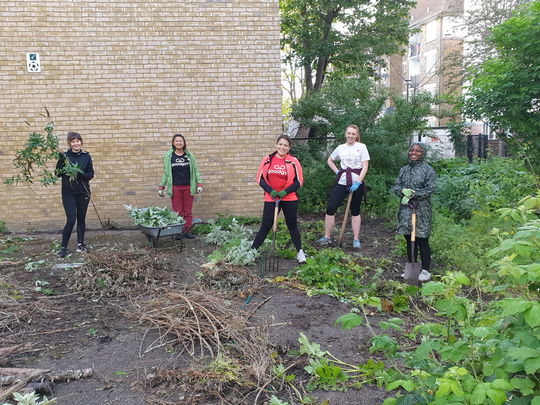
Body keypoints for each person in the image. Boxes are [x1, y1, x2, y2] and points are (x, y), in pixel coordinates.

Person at [252, 135, 306, 263]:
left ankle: (300, 252)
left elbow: (299, 181)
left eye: (285, 145)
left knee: (292, 225)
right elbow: (259, 178)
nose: (282, 147)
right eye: (280, 144)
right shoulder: (267, 159)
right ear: (277, 145)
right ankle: (252, 250)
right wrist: (270, 191)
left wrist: (284, 192)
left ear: (289, 148)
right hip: (271, 197)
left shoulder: (293, 161)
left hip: (289, 198)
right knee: (266, 225)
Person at [317, 125, 370, 248]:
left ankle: (356, 239)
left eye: (353, 134)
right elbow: (329, 160)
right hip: (342, 181)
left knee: (355, 211)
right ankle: (327, 236)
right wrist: (337, 171)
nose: (350, 136)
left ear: (356, 135)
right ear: (345, 134)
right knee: (330, 207)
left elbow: (365, 166)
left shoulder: (361, 147)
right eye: (349, 133)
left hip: (356, 182)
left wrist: (358, 181)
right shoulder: (340, 148)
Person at [393, 142, 436, 281]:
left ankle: (425, 269)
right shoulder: (404, 170)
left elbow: (430, 188)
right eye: (412, 150)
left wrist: (413, 194)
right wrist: (401, 191)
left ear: (423, 153)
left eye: (418, 151)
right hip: (406, 209)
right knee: (408, 238)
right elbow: (397, 186)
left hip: (421, 208)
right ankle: (412, 268)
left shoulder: (428, 170)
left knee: (422, 238)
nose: (414, 153)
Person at [55, 132, 95, 258]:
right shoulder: (65, 156)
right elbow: (57, 173)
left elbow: (90, 175)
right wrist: (61, 162)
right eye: (73, 141)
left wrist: (79, 173)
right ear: (70, 143)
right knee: (71, 219)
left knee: (81, 218)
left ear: (80, 142)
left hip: (83, 192)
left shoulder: (86, 156)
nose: (76, 143)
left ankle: (80, 244)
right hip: (68, 193)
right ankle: (63, 247)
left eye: (78, 141)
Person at [158, 133, 202, 239]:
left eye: (181, 141)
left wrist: (199, 183)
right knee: (177, 211)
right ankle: (178, 231)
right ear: (173, 143)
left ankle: (187, 231)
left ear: (184, 143)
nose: (179, 143)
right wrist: (161, 187)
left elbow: (195, 171)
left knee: (187, 211)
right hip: (175, 188)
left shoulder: (190, 156)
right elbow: (166, 173)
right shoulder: (169, 156)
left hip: (188, 187)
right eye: (177, 141)